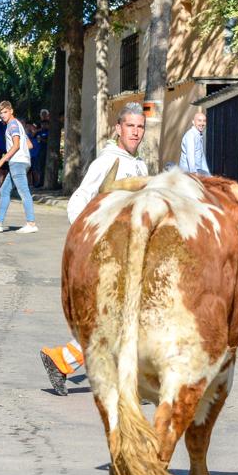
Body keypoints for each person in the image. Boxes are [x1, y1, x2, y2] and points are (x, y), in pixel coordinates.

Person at [40, 103, 149, 394]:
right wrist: (88, 240)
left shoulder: (140, 164)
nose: (136, 132)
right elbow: (79, 200)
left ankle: (64, 360)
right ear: (118, 128)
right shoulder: (107, 162)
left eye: (140, 127)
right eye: (130, 126)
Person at [0, 100, 38, 234]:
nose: (3, 115)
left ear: (11, 111)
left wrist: (1, 161)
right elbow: (29, 145)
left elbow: (16, 145)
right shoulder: (18, 124)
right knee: (5, 190)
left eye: (5, 112)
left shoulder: (12, 125)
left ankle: (31, 223)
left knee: (24, 191)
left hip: (17, 162)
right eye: (1, 113)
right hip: (23, 161)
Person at [179, 109, 211, 175]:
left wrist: (208, 174)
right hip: (187, 173)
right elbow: (190, 155)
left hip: (197, 172)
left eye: (204, 121)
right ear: (193, 122)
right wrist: (193, 173)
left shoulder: (198, 135)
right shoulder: (190, 135)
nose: (202, 123)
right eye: (199, 120)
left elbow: (202, 157)